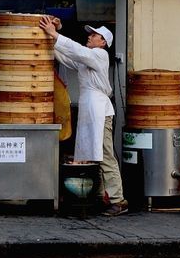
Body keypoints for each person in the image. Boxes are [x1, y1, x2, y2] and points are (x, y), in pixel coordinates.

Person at [38, 15, 125, 216]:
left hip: (99, 110)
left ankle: (118, 199)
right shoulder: (87, 59)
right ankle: (98, 196)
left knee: (104, 154)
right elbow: (68, 56)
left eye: (94, 35)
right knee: (90, 155)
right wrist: (52, 38)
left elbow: (77, 51)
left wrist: (56, 34)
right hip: (89, 109)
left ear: (103, 42)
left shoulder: (100, 55)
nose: (90, 37)